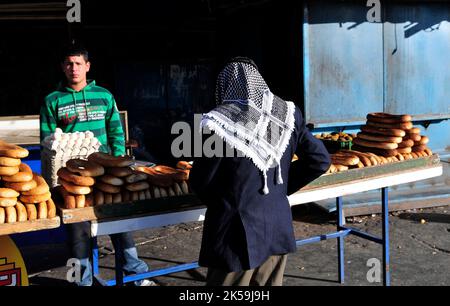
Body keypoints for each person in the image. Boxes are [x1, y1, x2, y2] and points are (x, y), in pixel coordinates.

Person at [189, 57, 331, 286]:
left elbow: (200, 182)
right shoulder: (287, 116)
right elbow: (319, 160)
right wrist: (278, 188)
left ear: (224, 86)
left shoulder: (217, 123)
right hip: (276, 226)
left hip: (234, 235)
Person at [40, 42, 154, 286]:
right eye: (69, 64)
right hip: (72, 177)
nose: (74, 68)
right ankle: (83, 280)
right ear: (62, 67)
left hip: (105, 173)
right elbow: (47, 143)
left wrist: (121, 166)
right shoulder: (52, 100)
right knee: (77, 229)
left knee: (118, 220)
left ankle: (135, 274)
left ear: (87, 66)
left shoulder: (103, 95)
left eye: (78, 63)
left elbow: (116, 133)